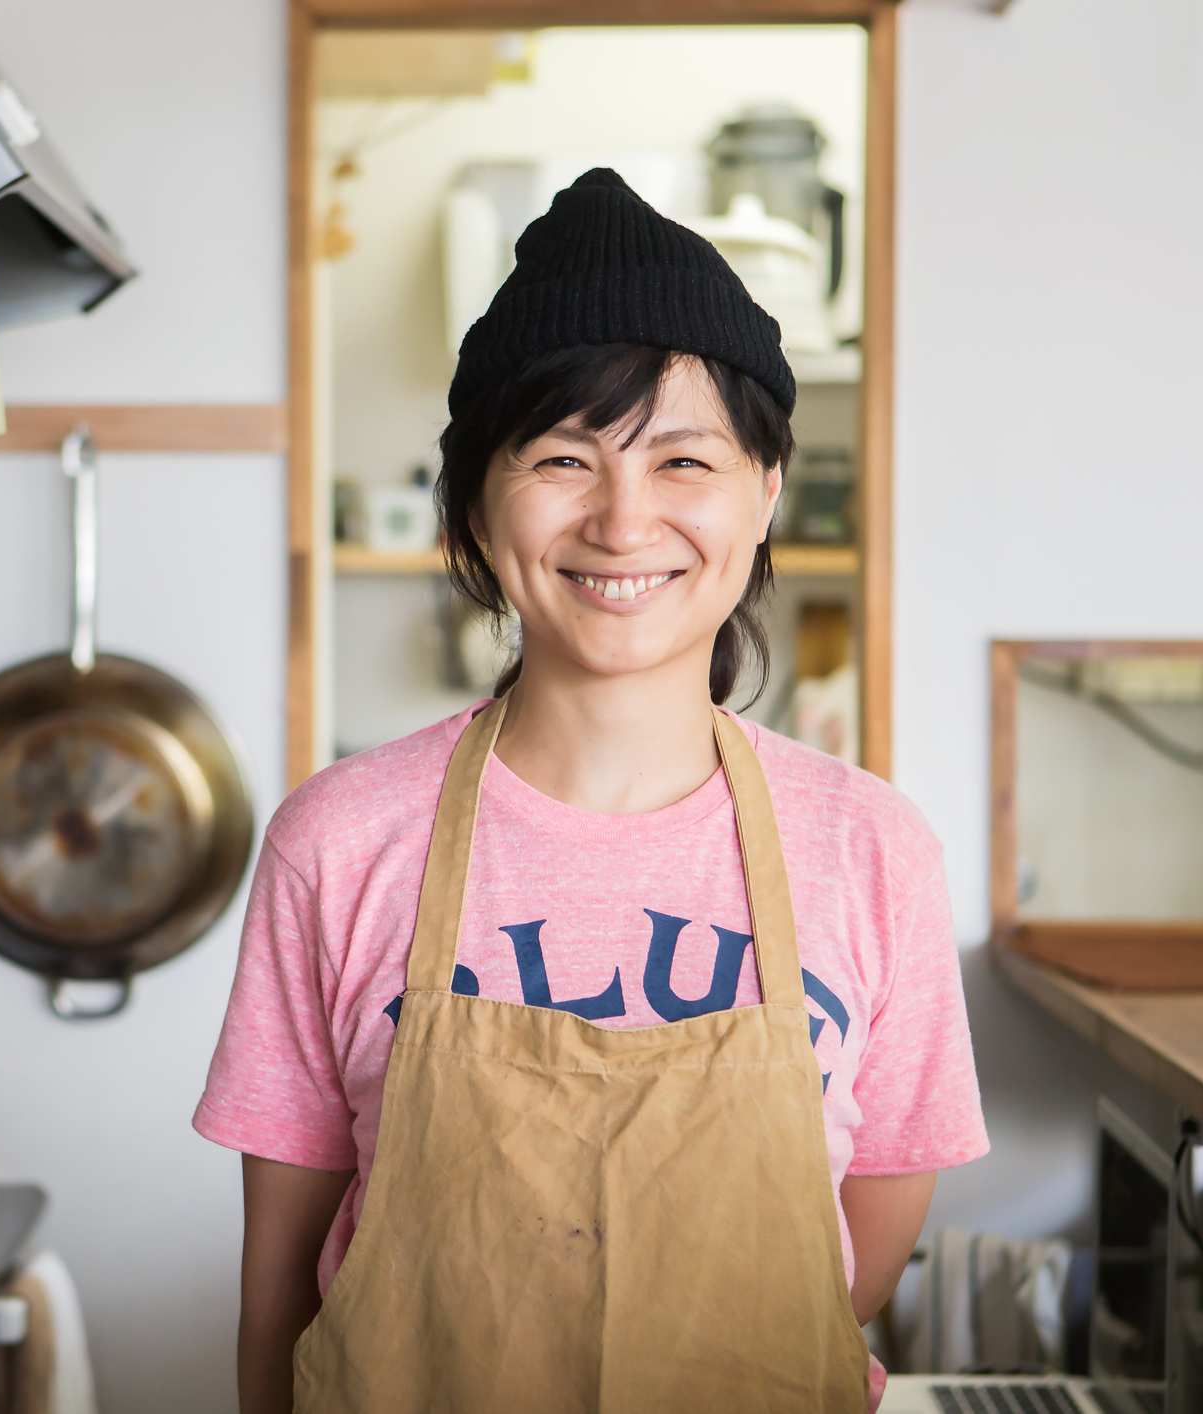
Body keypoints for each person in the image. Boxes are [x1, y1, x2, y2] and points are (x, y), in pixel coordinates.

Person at [194, 168, 988, 1413]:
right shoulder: (338, 843)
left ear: (765, 491)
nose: (624, 519)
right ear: (476, 497)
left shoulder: (873, 849)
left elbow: (863, 1241)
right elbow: (279, 1293)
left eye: (684, 459)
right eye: (564, 455)